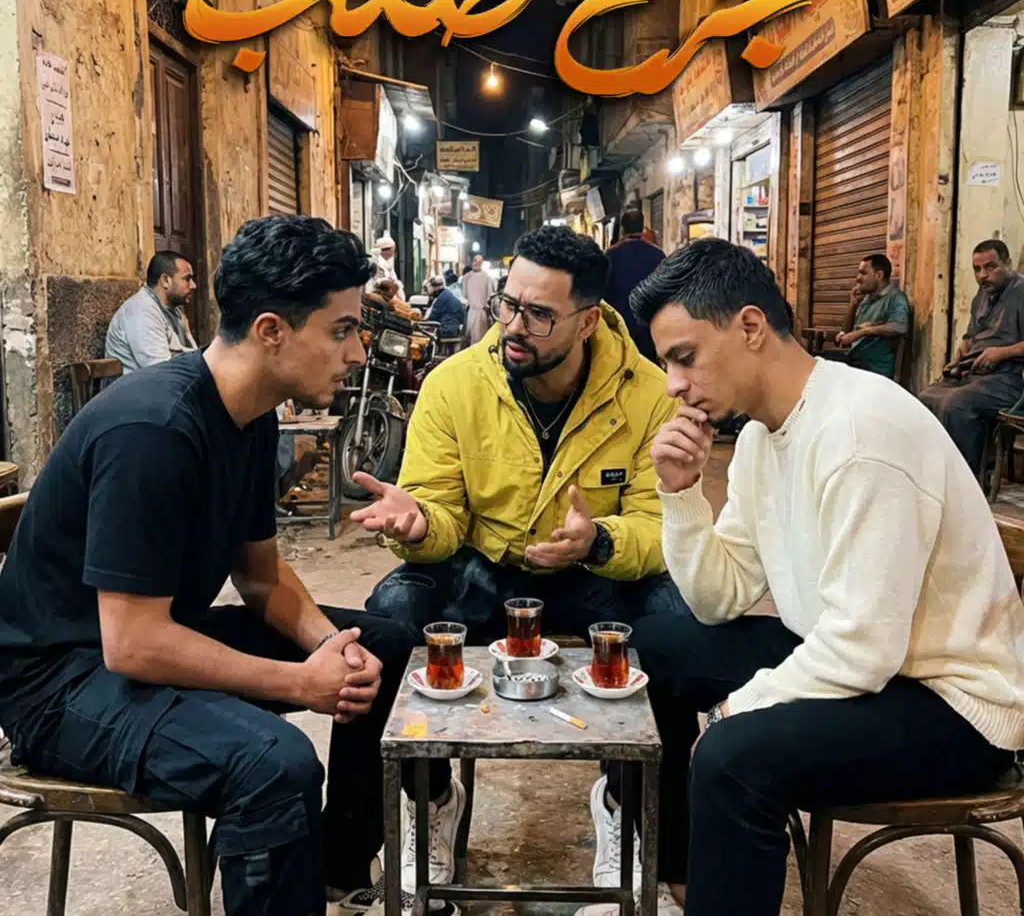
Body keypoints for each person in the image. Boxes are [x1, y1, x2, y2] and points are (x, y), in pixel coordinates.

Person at [0, 216, 445, 916]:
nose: (358, 352)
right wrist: (299, 683)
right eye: (341, 331)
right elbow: (132, 643)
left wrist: (330, 647)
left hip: (146, 639)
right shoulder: (153, 431)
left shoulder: (252, 414)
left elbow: (261, 577)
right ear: (271, 331)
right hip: (60, 682)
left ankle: (335, 871)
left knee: (381, 645)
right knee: (275, 765)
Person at [612, 237, 1024, 916]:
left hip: (950, 702)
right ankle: (683, 875)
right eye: (666, 364)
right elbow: (718, 600)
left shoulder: (861, 431)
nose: (673, 385)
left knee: (732, 757)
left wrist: (731, 711)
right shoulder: (758, 437)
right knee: (653, 645)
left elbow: (863, 648)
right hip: (864, 662)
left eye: (684, 357)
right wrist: (680, 494)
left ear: (750, 327)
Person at [350, 225, 685, 909]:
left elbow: (661, 527)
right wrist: (419, 525)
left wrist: (599, 542)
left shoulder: (649, 394)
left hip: (595, 573)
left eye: (538, 315)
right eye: (509, 303)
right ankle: (430, 800)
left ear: (587, 320)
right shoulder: (454, 385)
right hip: (482, 565)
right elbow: (440, 508)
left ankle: (626, 811)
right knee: (389, 612)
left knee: (678, 625)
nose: (513, 326)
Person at [919, 238, 1024, 472]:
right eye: (977, 269)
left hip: (1011, 378)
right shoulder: (983, 295)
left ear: (1007, 263)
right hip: (977, 374)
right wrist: (964, 347)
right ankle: (934, 472)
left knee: (956, 405)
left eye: (990, 267)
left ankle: (967, 478)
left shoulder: (1021, 291)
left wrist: (1003, 352)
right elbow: (972, 334)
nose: (982, 275)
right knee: (925, 398)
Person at [105, 251, 199, 372]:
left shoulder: (174, 311)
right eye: (187, 279)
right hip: (143, 383)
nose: (193, 285)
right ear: (165, 280)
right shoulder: (142, 310)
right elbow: (160, 371)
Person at [605, 207, 666, 364]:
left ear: (622, 229)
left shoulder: (611, 255)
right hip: (649, 325)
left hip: (620, 326)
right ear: (643, 227)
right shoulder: (657, 254)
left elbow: (604, 293)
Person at [834, 253, 910, 378]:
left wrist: (864, 331)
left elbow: (900, 326)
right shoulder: (867, 299)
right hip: (855, 362)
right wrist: (853, 304)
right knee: (817, 363)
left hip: (874, 369)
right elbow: (847, 332)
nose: (858, 278)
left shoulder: (896, 297)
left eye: (863, 273)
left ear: (879, 275)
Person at [461, 255, 494, 344]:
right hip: (472, 311)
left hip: (481, 312)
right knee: (471, 339)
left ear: (481, 263)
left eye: (479, 262)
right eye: (475, 260)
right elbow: (465, 295)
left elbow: (490, 296)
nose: (476, 263)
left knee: (480, 340)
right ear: (472, 261)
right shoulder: (467, 277)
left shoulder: (487, 277)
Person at [425, 273, 465, 339]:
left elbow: (433, 317)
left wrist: (421, 323)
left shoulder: (441, 298)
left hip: (447, 331)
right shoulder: (446, 293)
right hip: (453, 328)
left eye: (428, 288)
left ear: (434, 287)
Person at [367, 234, 405, 301]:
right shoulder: (375, 262)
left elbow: (395, 280)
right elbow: (375, 283)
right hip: (378, 297)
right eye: (392, 250)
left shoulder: (387, 263)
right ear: (385, 251)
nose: (393, 254)